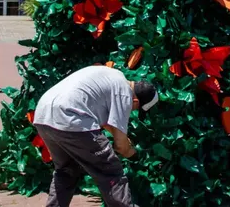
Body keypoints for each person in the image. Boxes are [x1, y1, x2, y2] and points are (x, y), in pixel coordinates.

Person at [33, 64, 158, 207]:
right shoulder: (124, 93)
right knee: (110, 171)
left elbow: (105, 122)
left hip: (44, 115)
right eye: (135, 109)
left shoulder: (112, 76)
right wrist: (134, 155)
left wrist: (122, 137)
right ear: (135, 101)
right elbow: (121, 146)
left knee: (67, 171)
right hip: (71, 118)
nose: (132, 111)